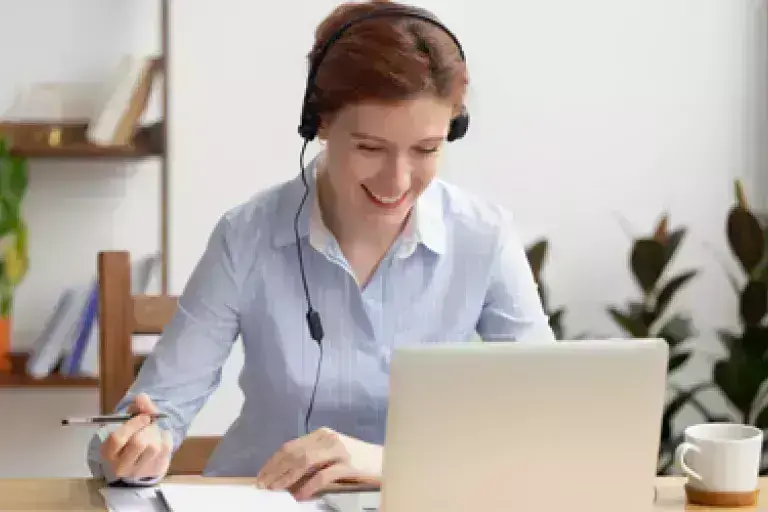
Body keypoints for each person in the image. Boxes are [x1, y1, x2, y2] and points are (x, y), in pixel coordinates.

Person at [87, 0, 556, 501]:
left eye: (426, 149)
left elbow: (548, 422)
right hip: (263, 500)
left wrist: (384, 463)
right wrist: (137, 447)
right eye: (371, 148)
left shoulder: (484, 237)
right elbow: (157, 408)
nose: (398, 181)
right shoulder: (246, 235)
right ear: (321, 124)